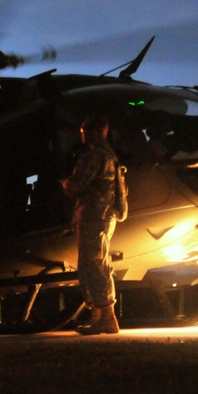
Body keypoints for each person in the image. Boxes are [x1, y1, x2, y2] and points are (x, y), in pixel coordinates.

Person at [62, 115, 120, 334]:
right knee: (90, 264)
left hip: (94, 216)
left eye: (84, 130)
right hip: (98, 216)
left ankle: (108, 317)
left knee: (96, 265)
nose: (82, 134)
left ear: (98, 131)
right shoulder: (109, 155)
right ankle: (97, 316)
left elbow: (74, 186)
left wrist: (65, 183)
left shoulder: (96, 156)